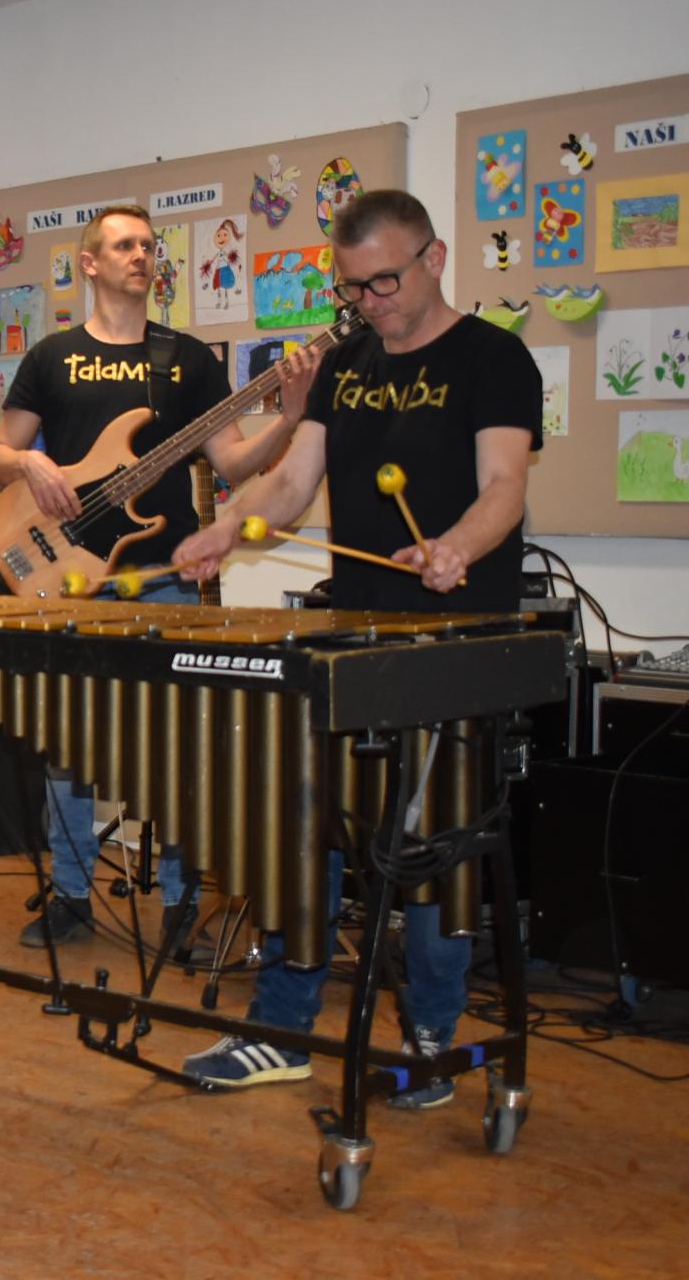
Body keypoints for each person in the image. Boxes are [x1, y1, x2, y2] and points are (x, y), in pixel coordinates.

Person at [172, 188, 541, 1106]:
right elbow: (291, 485)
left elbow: (504, 485)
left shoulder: (494, 358)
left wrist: (456, 545)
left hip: (452, 643)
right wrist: (229, 527)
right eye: (355, 287)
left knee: (425, 848)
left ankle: (430, 1038)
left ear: (434, 258)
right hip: (351, 640)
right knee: (301, 832)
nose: (371, 301)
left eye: (386, 281)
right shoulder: (345, 364)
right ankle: (282, 1030)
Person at [0, 204, 309, 951]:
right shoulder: (52, 357)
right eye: (125, 245)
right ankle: (71, 896)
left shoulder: (187, 359)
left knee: (175, 747)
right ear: (89, 263)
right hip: (70, 576)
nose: (142, 255)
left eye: (149, 246)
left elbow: (233, 464)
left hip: (162, 576)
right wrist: (30, 462)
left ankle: (179, 902)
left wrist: (289, 418)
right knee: (68, 744)